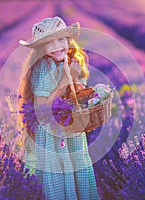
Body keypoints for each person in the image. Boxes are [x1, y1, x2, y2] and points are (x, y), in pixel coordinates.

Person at [18, 16, 100, 199]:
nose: (57, 46)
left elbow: (76, 97)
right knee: (57, 174)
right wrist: (65, 79)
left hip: (72, 130)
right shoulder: (43, 67)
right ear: (41, 49)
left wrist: (79, 82)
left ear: (69, 41)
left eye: (61, 39)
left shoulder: (71, 61)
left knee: (76, 166)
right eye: (49, 42)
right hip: (51, 135)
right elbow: (42, 108)